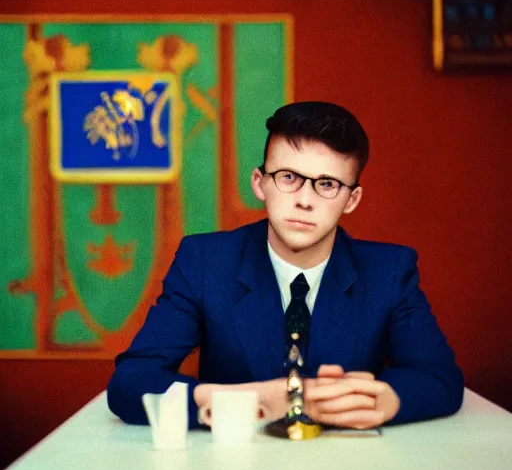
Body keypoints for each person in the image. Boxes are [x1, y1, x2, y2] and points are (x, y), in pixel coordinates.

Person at [107, 101, 464, 430]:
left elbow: (441, 379)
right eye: (289, 178)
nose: (304, 201)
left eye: (327, 184)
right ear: (260, 183)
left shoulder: (388, 271)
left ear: (352, 199)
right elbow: (132, 381)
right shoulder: (204, 262)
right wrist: (250, 400)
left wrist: (387, 400)